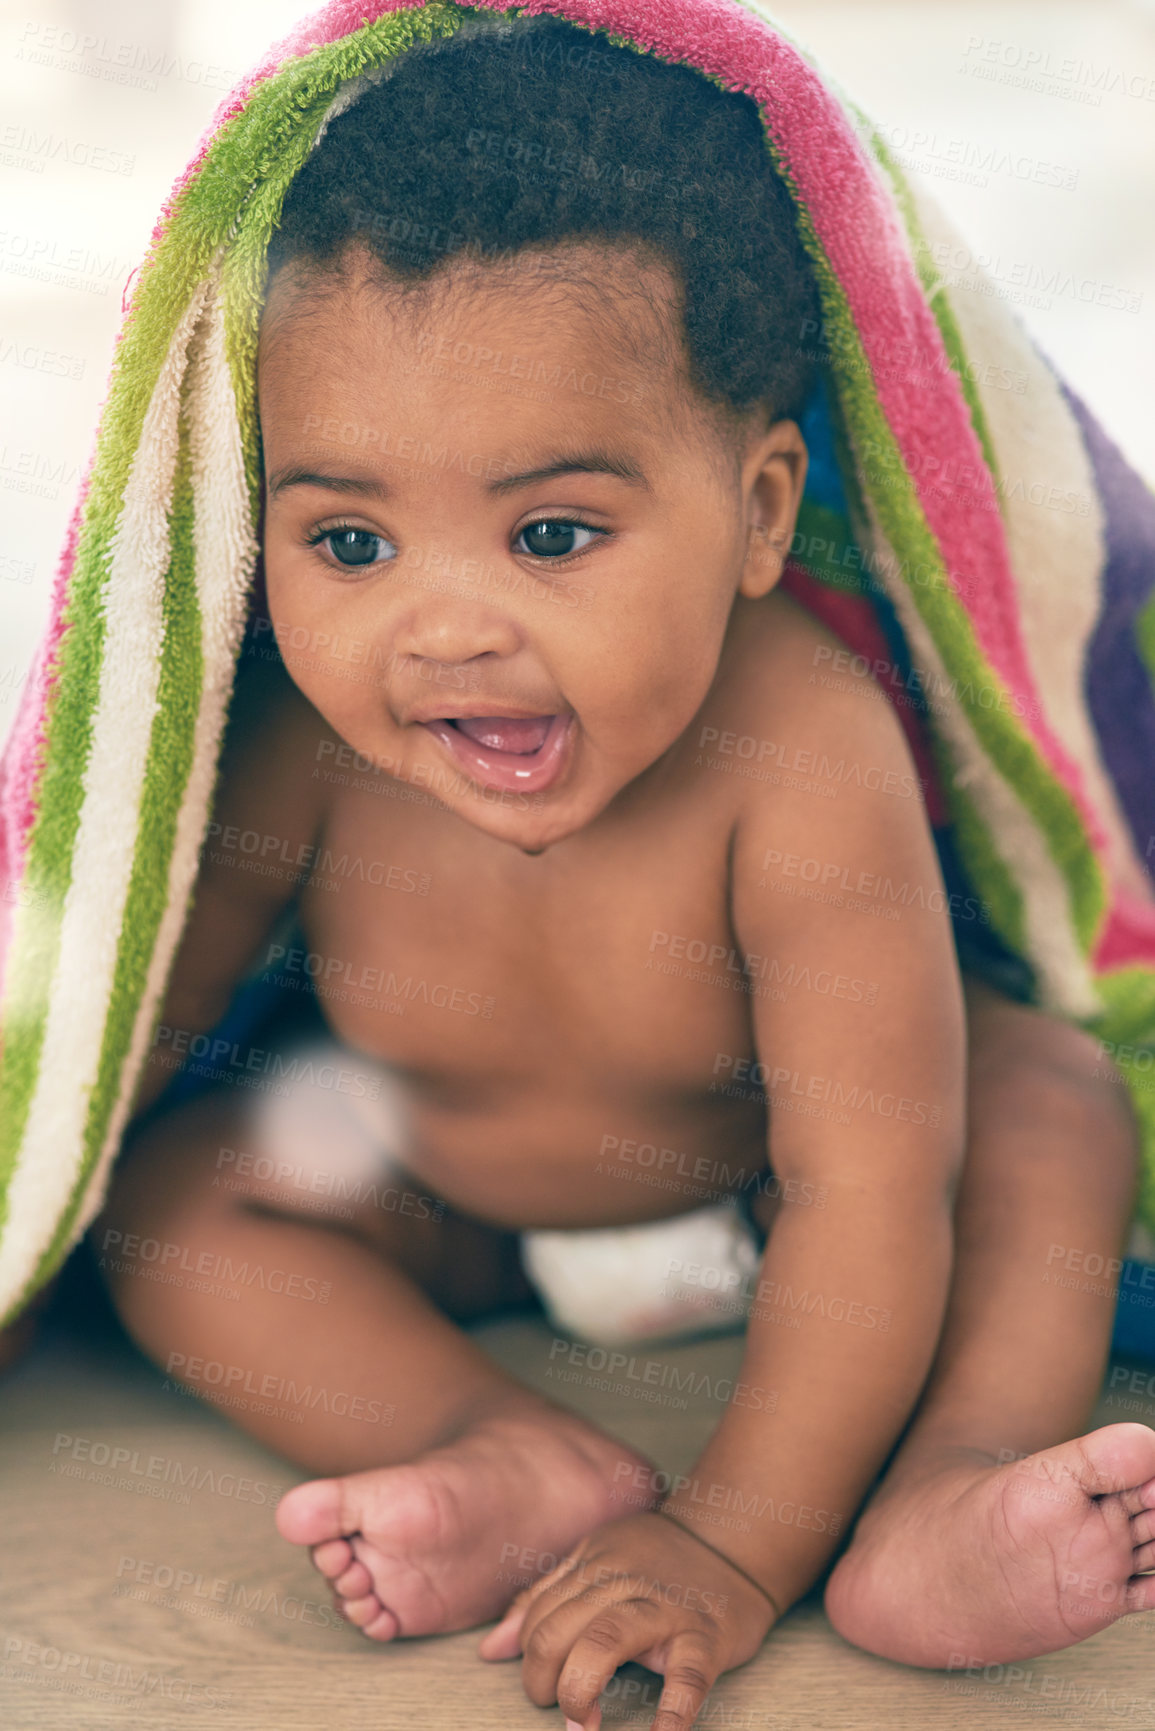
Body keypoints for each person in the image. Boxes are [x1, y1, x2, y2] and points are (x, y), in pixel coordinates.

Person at [93, 20, 1154, 1731]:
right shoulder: (304, 740)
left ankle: (948, 1484)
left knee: (1044, 1100)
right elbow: (142, 1005)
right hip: (459, 1206)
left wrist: (730, 1548)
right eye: (349, 541)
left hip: (782, 1205)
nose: (442, 628)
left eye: (552, 534)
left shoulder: (801, 754)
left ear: (754, 510)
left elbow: (872, 1192)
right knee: (189, 1187)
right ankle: (495, 1449)